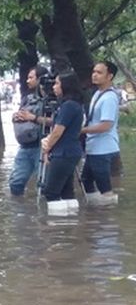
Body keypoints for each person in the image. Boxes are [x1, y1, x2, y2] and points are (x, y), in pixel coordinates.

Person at [39, 72, 85, 215]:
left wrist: (47, 147)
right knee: (66, 191)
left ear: (66, 86)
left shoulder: (68, 106)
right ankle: (70, 223)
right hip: (69, 152)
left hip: (64, 153)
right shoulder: (72, 105)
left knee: (51, 192)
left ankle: (57, 227)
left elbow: (58, 131)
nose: (54, 87)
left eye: (57, 83)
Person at [79, 60, 121, 206]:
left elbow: (106, 125)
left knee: (104, 187)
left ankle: (109, 218)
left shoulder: (109, 97)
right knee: (86, 181)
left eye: (99, 72)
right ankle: (95, 213)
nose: (94, 75)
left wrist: (81, 130)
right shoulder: (97, 93)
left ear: (109, 76)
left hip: (103, 148)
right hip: (94, 147)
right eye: (94, 72)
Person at [9, 66, 51, 196]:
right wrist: (16, 117)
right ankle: (20, 209)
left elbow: (58, 121)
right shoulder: (27, 98)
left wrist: (33, 118)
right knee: (15, 182)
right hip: (25, 146)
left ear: (40, 79)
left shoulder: (50, 100)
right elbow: (22, 114)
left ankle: (44, 211)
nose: (27, 81)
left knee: (44, 183)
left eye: (31, 77)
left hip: (42, 146)